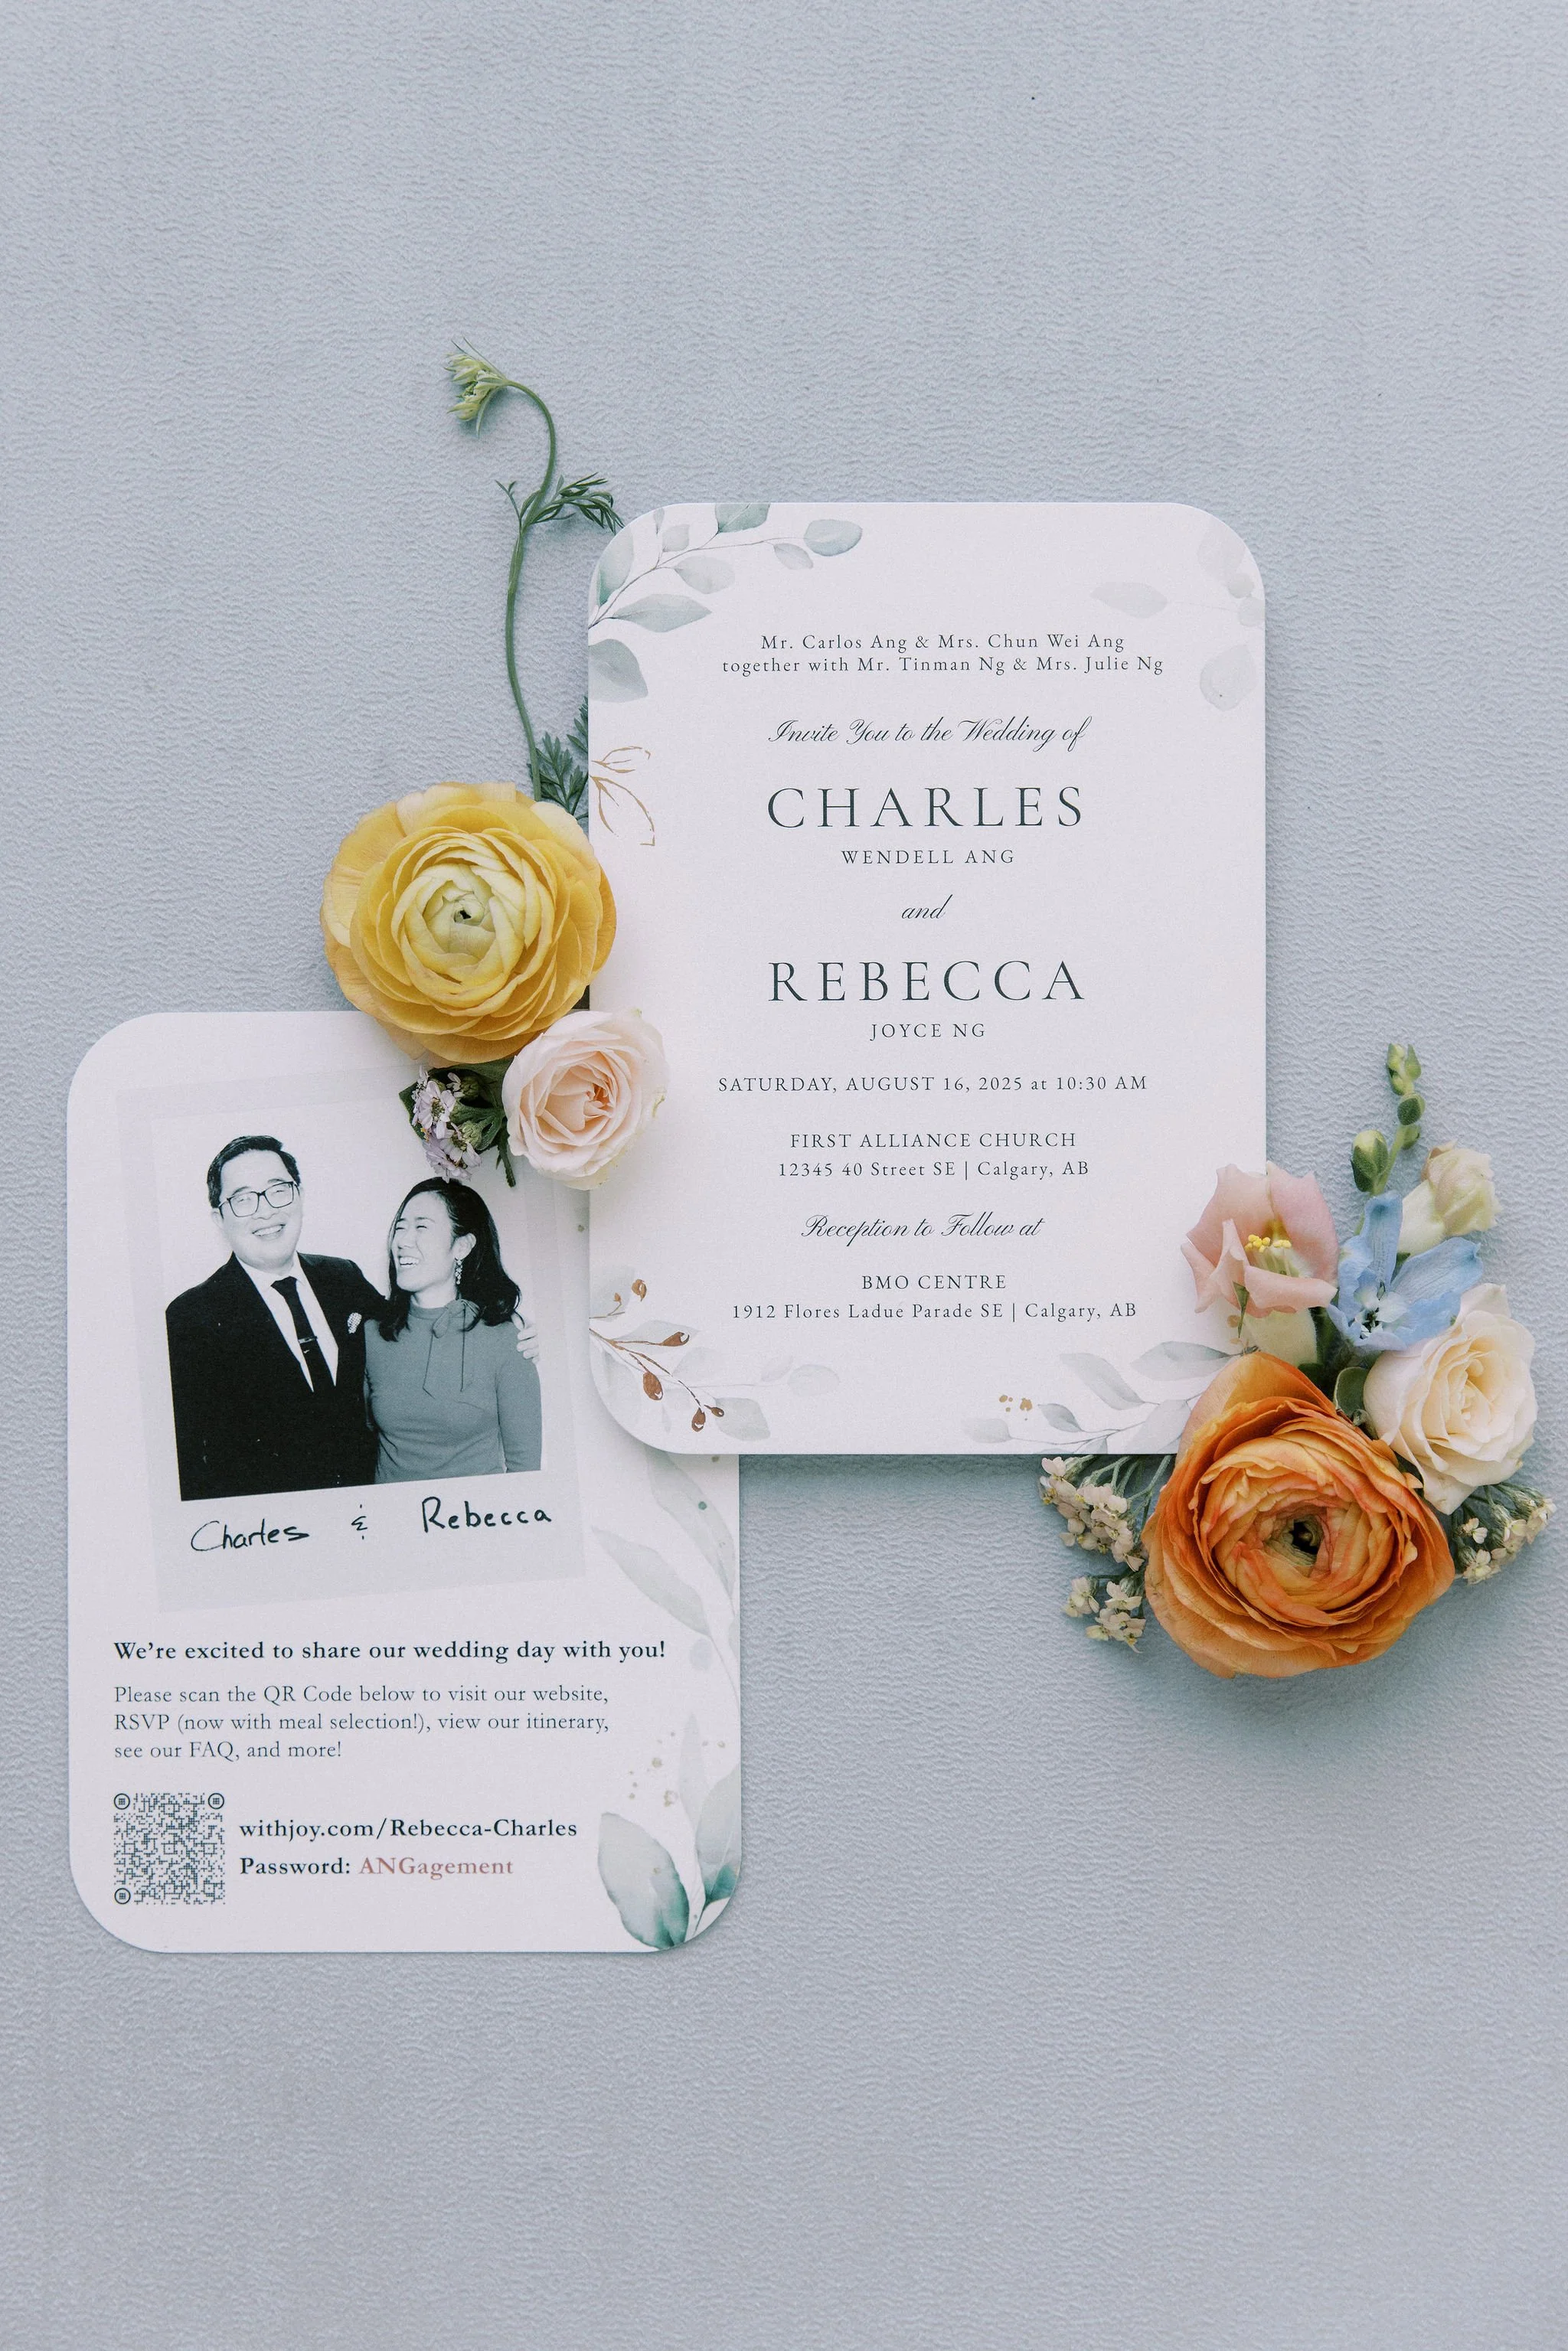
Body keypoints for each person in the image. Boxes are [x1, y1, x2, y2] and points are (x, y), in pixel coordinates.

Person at [165, 1135, 384, 1501]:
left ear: (299, 1196)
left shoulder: (343, 1277)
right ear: (219, 1218)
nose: (265, 1211)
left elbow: (407, 1338)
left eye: (278, 1190)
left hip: (368, 1508)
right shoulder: (190, 1318)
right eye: (243, 1199)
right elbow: (188, 1463)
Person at [364, 1179, 542, 1481]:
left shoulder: (506, 1338)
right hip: (389, 1510)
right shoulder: (373, 1335)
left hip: (477, 1510)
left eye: (421, 1227)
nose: (403, 1241)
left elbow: (525, 1473)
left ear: (462, 1246)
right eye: (400, 1227)